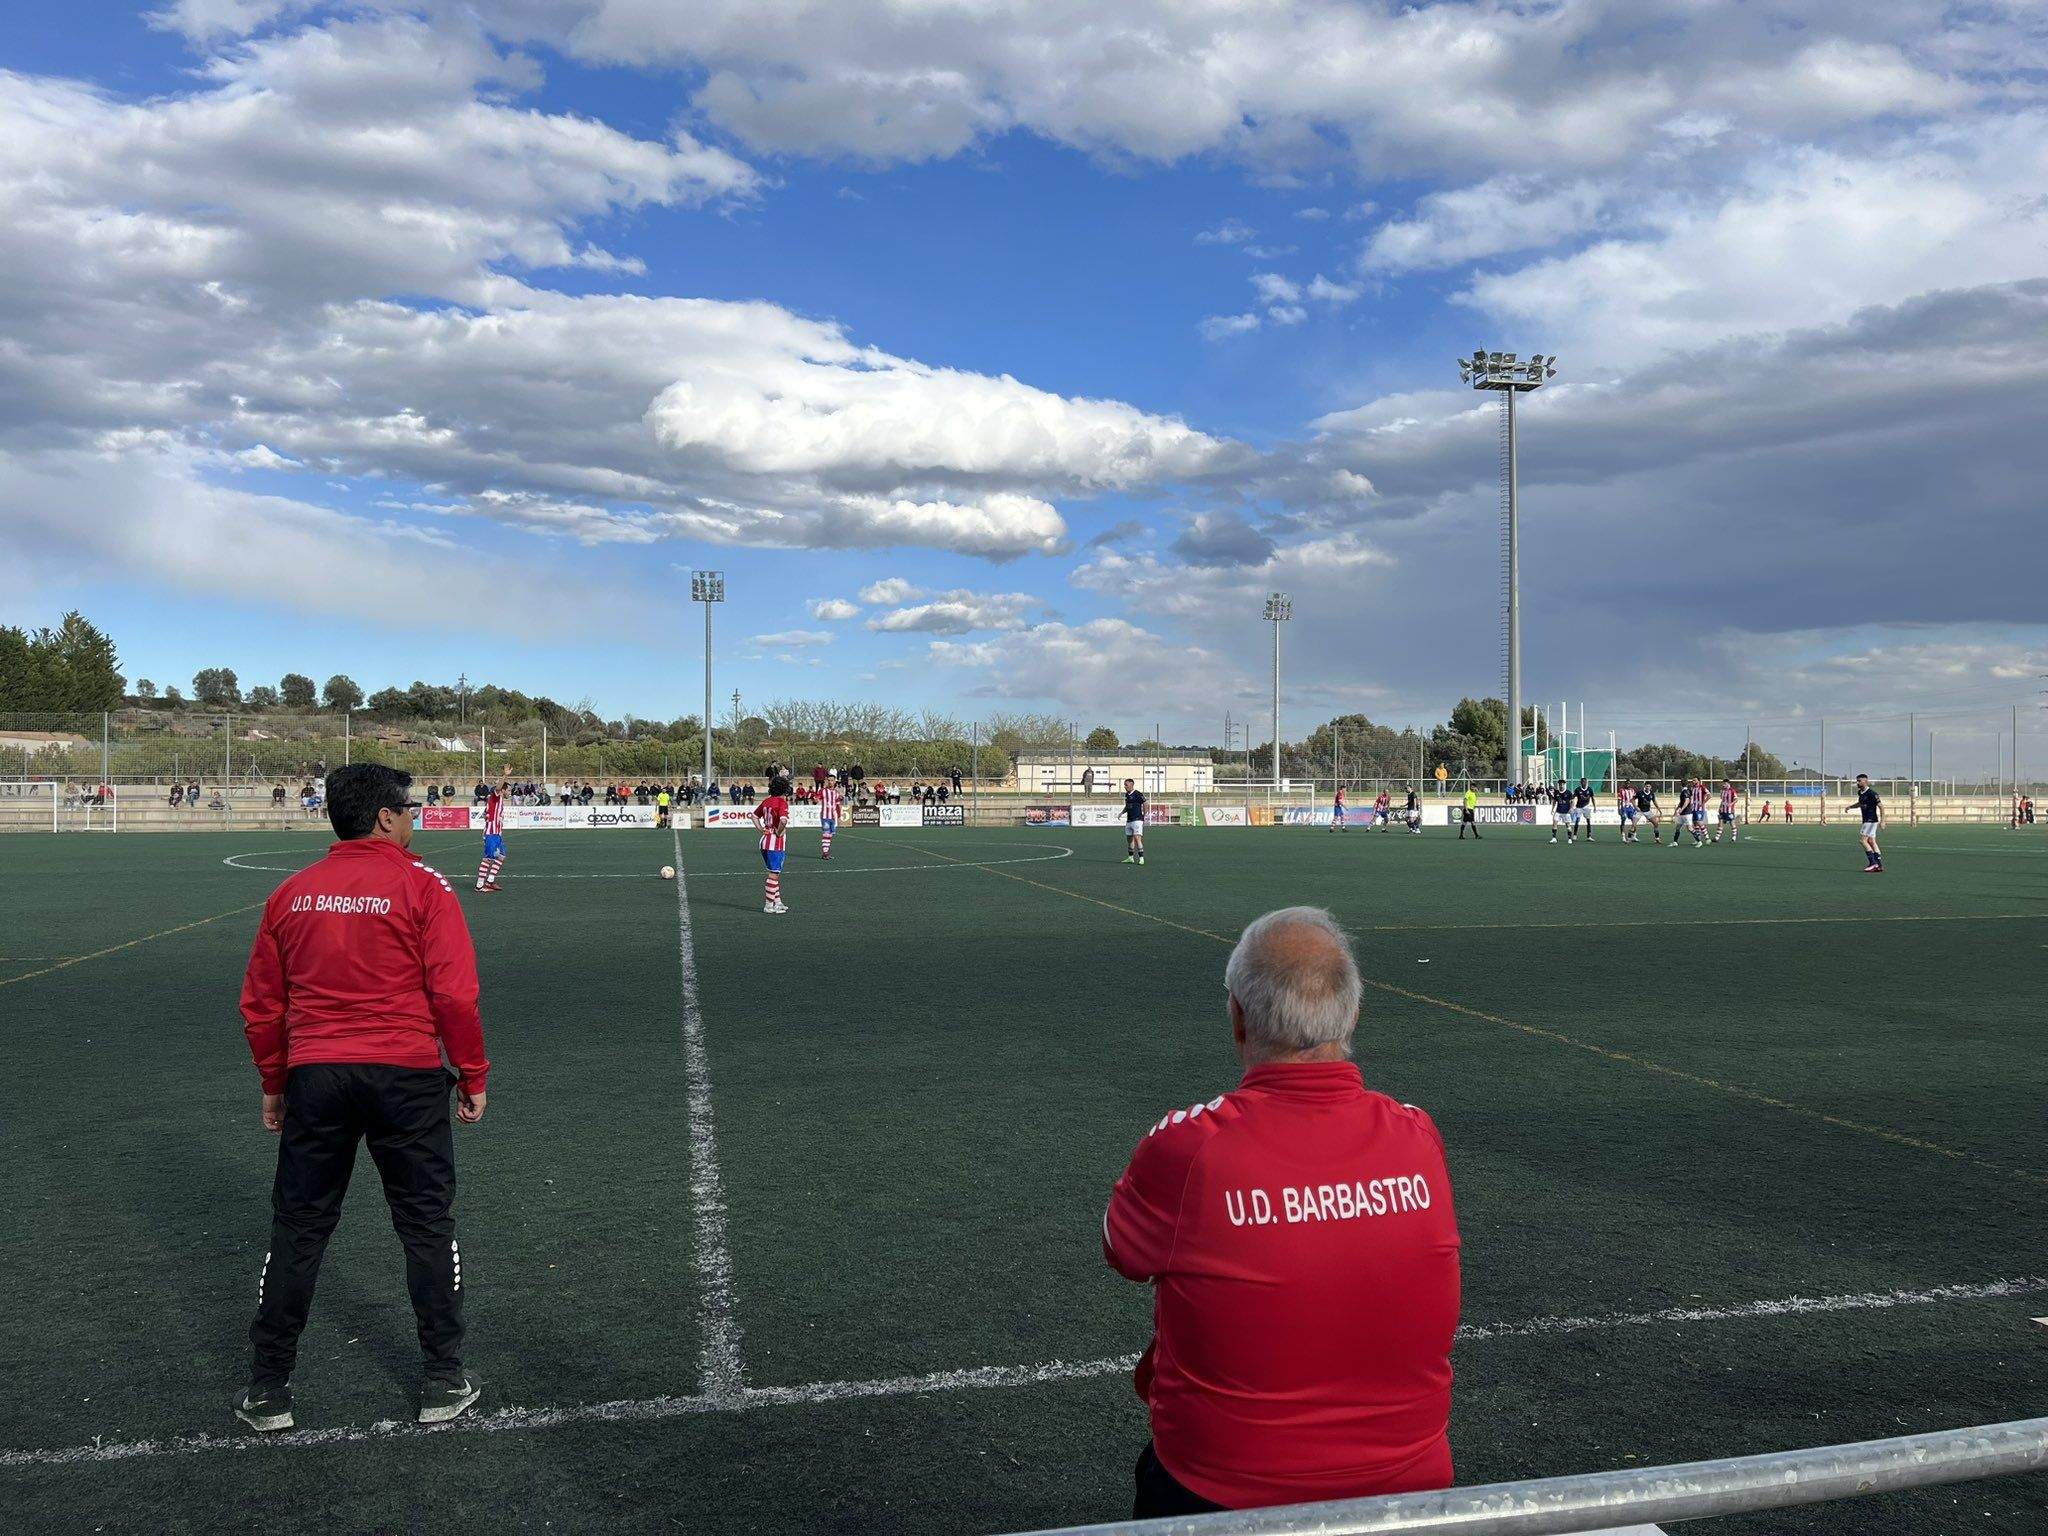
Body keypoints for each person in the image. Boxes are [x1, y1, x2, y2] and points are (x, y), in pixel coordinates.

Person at [1103, 907, 1460, 1517]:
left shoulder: (1190, 1147)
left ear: (1238, 1018)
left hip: (1221, 1492)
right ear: (1352, 1016)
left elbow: (1122, 1253)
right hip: (1413, 1492)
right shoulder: (1418, 1137)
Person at [235, 764, 489, 1434]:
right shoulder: (422, 885)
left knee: (299, 1229)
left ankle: (268, 1389)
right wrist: (472, 1073)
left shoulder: (291, 893)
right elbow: (455, 995)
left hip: (317, 1078)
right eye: (410, 808)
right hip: (404, 1077)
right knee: (426, 1225)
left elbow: (261, 1006)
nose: (415, 818)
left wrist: (274, 1082)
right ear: (383, 816)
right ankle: (443, 1379)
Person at [755, 774, 791, 913]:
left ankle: (778, 902)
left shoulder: (766, 801)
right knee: (773, 874)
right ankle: (768, 905)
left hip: (764, 841)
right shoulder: (782, 802)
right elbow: (783, 821)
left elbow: (754, 816)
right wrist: (780, 832)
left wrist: (761, 829)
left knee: (773, 872)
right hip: (775, 843)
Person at [1849, 772, 1884, 873]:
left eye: (1859, 781)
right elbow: (1860, 803)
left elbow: (1881, 807)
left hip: (1870, 820)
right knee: (1872, 841)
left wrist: (1883, 821)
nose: (1858, 783)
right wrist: (1850, 807)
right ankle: (1879, 865)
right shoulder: (1860, 792)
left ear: (1865, 781)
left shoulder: (1872, 794)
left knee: (1863, 840)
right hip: (1867, 820)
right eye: (1857, 781)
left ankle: (1873, 863)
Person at [475, 781, 506, 892]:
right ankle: (479, 886)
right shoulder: (495, 797)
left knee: (501, 855)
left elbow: (485, 814)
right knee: (488, 858)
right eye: (508, 790)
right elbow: (497, 788)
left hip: (497, 834)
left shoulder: (498, 801)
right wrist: (505, 775)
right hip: (491, 833)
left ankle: (490, 881)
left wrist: (487, 815)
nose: (510, 792)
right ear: (503, 790)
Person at [1122, 778, 1148, 865]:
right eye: (1125, 785)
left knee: (1137, 838)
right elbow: (1127, 806)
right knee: (1129, 839)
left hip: (1137, 819)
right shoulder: (1127, 795)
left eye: (1126, 785)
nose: (1125, 786)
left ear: (1132, 785)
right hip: (1129, 820)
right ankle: (1130, 858)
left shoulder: (1137, 794)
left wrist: (1144, 814)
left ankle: (1141, 858)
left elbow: (1145, 803)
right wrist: (1122, 812)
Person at [818, 775, 842, 859]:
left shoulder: (836, 793)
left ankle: (826, 851)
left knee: (831, 835)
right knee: (826, 834)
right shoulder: (822, 791)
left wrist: (839, 816)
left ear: (835, 781)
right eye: (828, 780)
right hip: (825, 817)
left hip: (833, 817)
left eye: (831, 780)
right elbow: (817, 798)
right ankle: (825, 853)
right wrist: (815, 799)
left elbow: (838, 805)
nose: (830, 782)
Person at [1714, 778, 1740, 843]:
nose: (1723, 785)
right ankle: (1717, 838)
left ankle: (1734, 837)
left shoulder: (1732, 791)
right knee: (1720, 822)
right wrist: (1720, 807)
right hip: (1722, 810)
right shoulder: (1722, 791)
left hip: (1729, 811)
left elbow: (1736, 799)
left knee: (1732, 823)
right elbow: (1722, 800)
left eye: (1725, 784)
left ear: (1728, 784)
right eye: (1723, 783)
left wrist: (1731, 804)